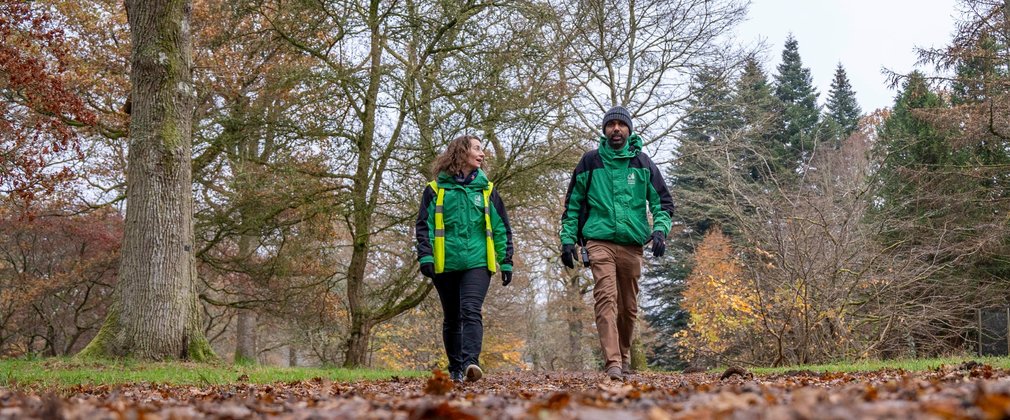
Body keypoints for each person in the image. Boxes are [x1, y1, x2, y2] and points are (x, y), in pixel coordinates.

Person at [559, 105, 674, 381]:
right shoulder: (590, 162)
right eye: (611, 125)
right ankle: (612, 362)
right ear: (605, 130)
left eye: (621, 125)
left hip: (633, 244)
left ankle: (622, 357)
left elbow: (663, 203)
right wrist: (567, 240)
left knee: (628, 307)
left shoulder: (643, 163)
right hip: (599, 241)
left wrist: (660, 231)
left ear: (629, 130)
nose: (616, 129)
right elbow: (572, 205)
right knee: (605, 298)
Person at [415, 134, 514, 383]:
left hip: (477, 261)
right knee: (452, 316)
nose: (482, 154)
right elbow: (423, 226)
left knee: (471, 310)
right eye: (477, 149)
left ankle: (471, 363)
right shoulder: (435, 190)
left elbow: (501, 227)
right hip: (444, 262)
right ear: (461, 153)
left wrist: (506, 260)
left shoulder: (487, 190)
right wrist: (425, 256)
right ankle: (456, 368)